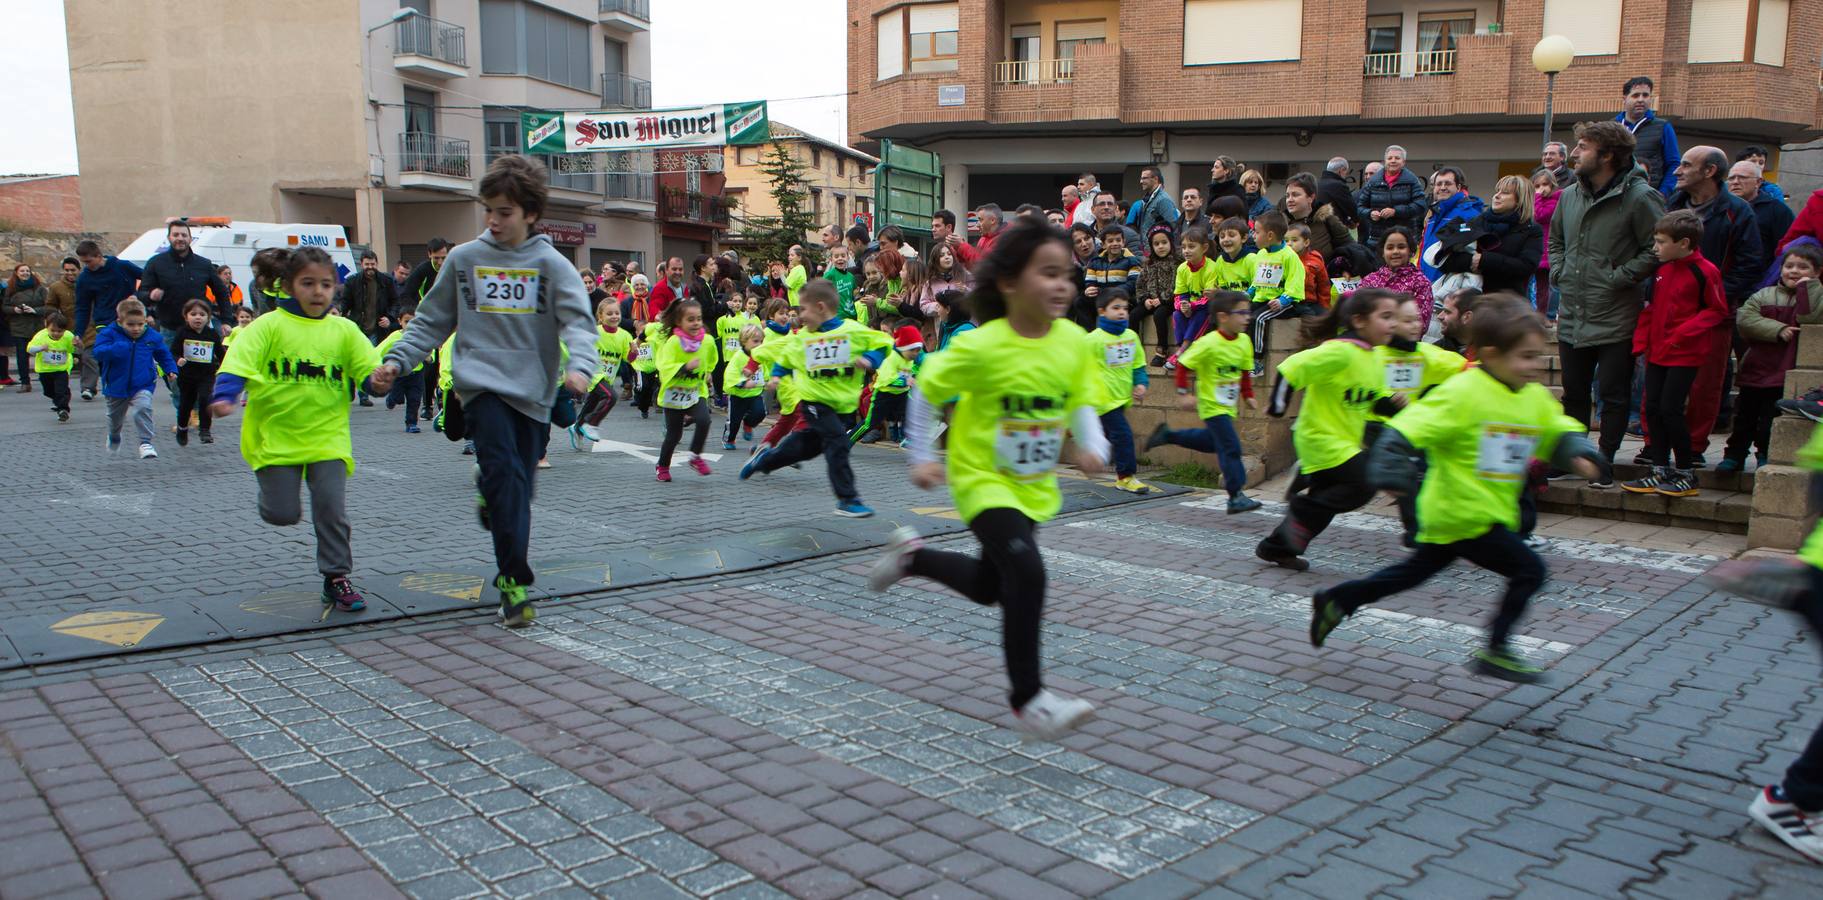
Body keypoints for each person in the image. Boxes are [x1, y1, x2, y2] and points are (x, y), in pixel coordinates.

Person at [867, 217, 1110, 741]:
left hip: (1031, 486)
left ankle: (913, 558)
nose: (1062, 285)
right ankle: (1031, 701)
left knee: (988, 586)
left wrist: (1093, 443)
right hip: (981, 479)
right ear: (1008, 283)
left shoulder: (1073, 341)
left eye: (1067, 274)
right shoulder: (981, 346)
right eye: (1048, 273)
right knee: (1029, 575)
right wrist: (920, 456)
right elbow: (927, 387)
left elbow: (1081, 397)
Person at [1308, 294, 1609, 682]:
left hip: (1482, 510)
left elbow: (1556, 428)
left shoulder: (1532, 396)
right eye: (1525, 357)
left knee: (1411, 573)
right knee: (1530, 571)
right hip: (1459, 510)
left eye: (1536, 357)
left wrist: (1578, 452)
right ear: (1490, 353)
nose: (1534, 367)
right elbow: (1408, 428)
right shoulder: (1462, 392)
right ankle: (1497, 649)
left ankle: (1337, 600)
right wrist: (1393, 473)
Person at [370, 155, 598, 629]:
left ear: (531, 213)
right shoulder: (464, 259)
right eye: (488, 210)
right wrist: (396, 360)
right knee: (508, 481)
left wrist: (580, 368)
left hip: (534, 394)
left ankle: (487, 491)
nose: (493, 222)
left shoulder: (552, 265)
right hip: (480, 387)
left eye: (505, 213)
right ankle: (513, 583)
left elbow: (579, 323)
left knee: (518, 490)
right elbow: (432, 320)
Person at [208, 245, 379, 613]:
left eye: (327, 284)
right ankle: (274, 498)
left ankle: (336, 577)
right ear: (287, 285)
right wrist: (225, 396)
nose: (319, 292)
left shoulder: (344, 330)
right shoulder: (268, 327)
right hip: (276, 439)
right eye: (308, 283)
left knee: (332, 511)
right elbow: (237, 364)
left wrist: (379, 383)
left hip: (327, 439)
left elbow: (369, 372)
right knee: (282, 514)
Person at [1255, 288, 1403, 572]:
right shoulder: (1339, 351)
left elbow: (1369, 398)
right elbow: (1290, 368)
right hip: (1319, 437)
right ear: (1360, 321)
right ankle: (1302, 499)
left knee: (1324, 505)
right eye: (1386, 317)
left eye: (1395, 317)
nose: (1393, 324)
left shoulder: (1374, 357)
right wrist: (1276, 405)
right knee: (1363, 484)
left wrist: (1392, 405)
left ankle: (1276, 548)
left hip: (1344, 441)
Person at [1551, 119, 1664, 473]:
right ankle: (1574, 459)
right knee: (1574, 394)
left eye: (1584, 146)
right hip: (1573, 312)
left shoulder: (1641, 197)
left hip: (1616, 314)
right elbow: (1555, 241)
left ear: (1608, 154)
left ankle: (1606, 459)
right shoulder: (1569, 195)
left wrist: (1621, 277)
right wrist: (1560, 272)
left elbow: (1655, 247)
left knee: (1613, 395)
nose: (1575, 153)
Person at [741, 279, 892, 517]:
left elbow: (884, 343)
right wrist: (778, 377)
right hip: (814, 402)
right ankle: (847, 499)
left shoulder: (851, 330)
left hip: (842, 406)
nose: (800, 316)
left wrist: (870, 360)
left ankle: (764, 460)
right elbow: (785, 358)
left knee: (806, 448)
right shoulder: (802, 338)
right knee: (838, 442)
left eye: (804, 309)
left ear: (821, 308)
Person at [1620, 210, 1729, 497]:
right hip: (1657, 351)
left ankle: (1685, 472)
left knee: (1670, 409)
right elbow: (1652, 309)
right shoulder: (1662, 271)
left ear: (1683, 243)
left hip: (1686, 353)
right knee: (1653, 408)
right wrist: (1641, 342)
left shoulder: (1705, 271)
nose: (1655, 248)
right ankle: (1659, 468)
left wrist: (1683, 334)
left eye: (1660, 242)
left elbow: (1716, 310)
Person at [1668, 145, 1765, 463]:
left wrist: (1713, 295)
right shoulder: (1673, 205)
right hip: (1669, 313)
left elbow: (1750, 264)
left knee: (1705, 386)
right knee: (1659, 384)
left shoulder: (1738, 211)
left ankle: (1694, 448)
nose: (1677, 171)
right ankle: (1655, 446)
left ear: (1709, 171)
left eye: (1685, 165)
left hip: (1714, 316)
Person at [1149, 291, 1261, 512]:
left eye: (1248, 313)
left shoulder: (1244, 341)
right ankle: (1236, 495)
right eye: (1241, 313)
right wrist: (1183, 393)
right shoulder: (1208, 343)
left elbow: (1244, 371)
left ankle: (1168, 435)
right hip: (1211, 405)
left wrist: (1248, 396)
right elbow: (1182, 364)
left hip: (1228, 407)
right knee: (1231, 448)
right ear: (1223, 317)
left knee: (1212, 442)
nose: (1247, 317)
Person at [1368, 293, 1467, 542]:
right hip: (1372, 428)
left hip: (1411, 430)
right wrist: (1384, 400)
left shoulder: (1426, 354)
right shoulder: (1373, 355)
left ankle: (1422, 528)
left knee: (1424, 470)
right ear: (1390, 323)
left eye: (1417, 320)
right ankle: (1417, 530)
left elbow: (1467, 369)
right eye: (1407, 321)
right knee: (1405, 472)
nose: (1415, 325)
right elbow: (1356, 385)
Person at [1726, 245, 1823, 472]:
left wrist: (1807, 288)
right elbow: (1745, 319)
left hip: (1785, 371)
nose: (1794, 271)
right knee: (1744, 417)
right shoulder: (1764, 294)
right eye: (1789, 266)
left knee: (1770, 419)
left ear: (1818, 272)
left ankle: (1765, 453)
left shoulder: (1816, 294)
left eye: (1803, 267)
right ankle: (1734, 454)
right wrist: (1778, 329)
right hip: (1757, 367)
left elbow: (1810, 315)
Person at [92, 298, 177, 459]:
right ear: (120, 321)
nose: (136, 329)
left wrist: (170, 369)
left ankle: (146, 443)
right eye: (130, 325)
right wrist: (117, 348)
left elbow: (164, 354)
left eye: (140, 324)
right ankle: (114, 435)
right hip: (116, 384)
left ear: (145, 321)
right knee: (115, 417)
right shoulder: (109, 333)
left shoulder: (152, 336)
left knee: (142, 408)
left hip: (142, 383)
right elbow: (98, 352)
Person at [1085, 291, 1151, 494]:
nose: (1122, 312)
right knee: (1123, 436)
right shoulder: (1092, 340)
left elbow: (1138, 366)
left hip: (1121, 399)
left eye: (1125, 308)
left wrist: (1140, 384)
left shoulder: (1131, 336)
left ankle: (1091, 452)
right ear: (1102, 312)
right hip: (1101, 400)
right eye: (1116, 308)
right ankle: (1126, 477)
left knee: (1107, 436)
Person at [652, 297, 717, 481]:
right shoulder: (673, 342)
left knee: (704, 420)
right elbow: (663, 366)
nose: (696, 323)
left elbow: (712, 359)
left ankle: (695, 456)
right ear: (679, 322)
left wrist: (709, 372)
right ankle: (662, 465)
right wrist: (684, 367)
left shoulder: (708, 341)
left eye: (699, 318)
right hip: (674, 393)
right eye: (690, 319)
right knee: (674, 435)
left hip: (696, 391)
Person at [73, 240, 142, 401]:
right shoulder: (84, 279)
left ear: (98, 256)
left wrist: (137, 296)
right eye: (84, 263)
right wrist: (78, 333)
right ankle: (112, 388)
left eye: (89, 261)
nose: (87, 266)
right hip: (104, 320)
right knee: (107, 354)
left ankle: (130, 385)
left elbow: (147, 279)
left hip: (130, 318)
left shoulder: (122, 266)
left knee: (129, 354)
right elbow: (82, 307)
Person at [137, 219, 233, 336]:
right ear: (169, 238)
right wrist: (150, 296)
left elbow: (221, 292)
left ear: (190, 239)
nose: (180, 238)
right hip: (170, 330)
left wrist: (226, 321)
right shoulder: (156, 263)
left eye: (184, 235)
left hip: (199, 330)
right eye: (176, 235)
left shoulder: (204, 264)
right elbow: (141, 294)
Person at [1457, 174, 1545, 297]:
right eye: (1497, 191)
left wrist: (1485, 260)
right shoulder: (1477, 221)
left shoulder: (1531, 230)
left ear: (1520, 199)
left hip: (1508, 303)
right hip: (1473, 300)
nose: (1497, 196)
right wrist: (1471, 261)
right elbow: (1452, 257)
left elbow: (1526, 267)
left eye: (1505, 193)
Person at [1246, 211, 1308, 371]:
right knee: (1241, 315)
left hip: (1282, 302)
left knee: (1258, 319)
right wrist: (1249, 293)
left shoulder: (1289, 256)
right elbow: (1257, 279)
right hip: (1262, 299)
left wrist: (1283, 300)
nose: (1253, 235)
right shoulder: (1260, 254)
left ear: (1270, 235)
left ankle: (1257, 361)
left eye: (1257, 232)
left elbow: (1295, 283)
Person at [568, 299, 630, 446]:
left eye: (617, 313)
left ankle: (577, 427)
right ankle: (591, 424)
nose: (614, 316)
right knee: (610, 396)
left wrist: (634, 352)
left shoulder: (625, 335)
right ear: (600, 317)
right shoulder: (594, 332)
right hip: (592, 373)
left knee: (592, 402)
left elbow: (629, 359)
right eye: (609, 314)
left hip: (607, 376)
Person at [337, 249, 393, 407]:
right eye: (367, 264)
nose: (370, 267)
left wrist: (389, 317)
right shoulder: (352, 281)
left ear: (377, 264)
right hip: (357, 326)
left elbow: (395, 301)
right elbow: (345, 301)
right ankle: (350, 390)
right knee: (352, 358)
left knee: (368, 361)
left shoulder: (386, 281)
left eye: (373, 264)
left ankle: (364, 395)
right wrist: (341, 315)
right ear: (361, 264)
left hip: (376, 328)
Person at [167, 299, 224, 446]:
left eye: (202, 314)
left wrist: (225, 368)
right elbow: (172, 352)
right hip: (187, 375)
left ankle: (205, 430)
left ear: (208, 317)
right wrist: (178, 359)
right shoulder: (182, 333)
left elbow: (221, 353)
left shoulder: (212, 334)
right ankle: (182, 428)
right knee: (186, 403)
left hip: (206, 374)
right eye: (193, 314)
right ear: (186, 317)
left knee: (206, 398)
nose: (198, 317)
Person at [1360, 227, 1433, 333]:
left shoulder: (1421, 282)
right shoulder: (1369, 281)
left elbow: (1421, 324)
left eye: (1401, 247)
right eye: (1389, 248)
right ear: (1382, 252)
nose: (1395, 251)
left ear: (1411, 251)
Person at [1616, 76, 1680, 196]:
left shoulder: (1663, 126)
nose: (1641, 100)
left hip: (1650, 196)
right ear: (1624, 98)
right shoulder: (1611, 127)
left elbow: (1674, 164)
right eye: (1635, 95)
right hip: (1617, 197)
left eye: (1645, 95)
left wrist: (1663, 194)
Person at [1419, 167, 1485, 281]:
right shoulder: (1433, 214)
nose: (1443, 187)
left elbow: (1470, 255)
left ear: (1458, 187)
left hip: (1449, 287)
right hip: (1427, 283)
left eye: (1448, 183)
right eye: (1439, 184)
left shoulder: (1469, 214)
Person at [1357, 145, 1428, 246]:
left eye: (1397, 158)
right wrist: (1370, 213)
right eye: (1389, 158)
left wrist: (1396, 211)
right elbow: (1360, 207)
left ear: (1403, 162)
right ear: (1385, 161)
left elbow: (1420, 206)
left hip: (1403, 238)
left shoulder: (1412, 181)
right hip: (1377, 240)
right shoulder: (1373, 181)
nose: (1393, 161)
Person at [1732, 161, 1796, 269]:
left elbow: (1787, 250)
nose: (1735, 182)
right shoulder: (1719, 208)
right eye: (1731, 178)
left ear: (1758, 182)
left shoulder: (1777, 210)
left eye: (1742, 177)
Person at [1082, 225, 1143, 331]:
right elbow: (1090, 280)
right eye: (1110, 241)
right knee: (1080, 301)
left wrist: (1111, 292)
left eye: (1118, 240)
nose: (1115, 243)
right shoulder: (1095, 261)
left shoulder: (1132, 261)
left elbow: (1133, 283)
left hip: (1124, 298)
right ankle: (1089, 334)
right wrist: (1089, 288)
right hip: (1101, 296)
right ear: (1103, 244)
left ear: (1123, 242)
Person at [376, 310, 428, 433]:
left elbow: (428, 350)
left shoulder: (420, 336)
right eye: (407, 322)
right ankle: (391, 399)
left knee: (414, 399)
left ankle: (411, 423)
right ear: (400, 321)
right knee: (398, 398)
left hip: (416, 374)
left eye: (413, 322)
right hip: (399, 375)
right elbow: (379, 351)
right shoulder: (395, 336)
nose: (410, 325)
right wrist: (379, 366)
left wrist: (430, 358)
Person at [1280, 173, 1351, 261]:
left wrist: (1344, 267)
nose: (1289, 200)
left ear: (1311, 197)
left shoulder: (1327, 220)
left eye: (1295, 195)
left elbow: (1350, 247)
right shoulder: (1281, 224)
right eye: (1287, 196)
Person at [1173, 228, 1220, 356]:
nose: (1186, 251)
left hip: (1205, 307)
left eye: (1191, 247)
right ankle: (1182, 348)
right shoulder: (1182, 268)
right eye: (1183, 247)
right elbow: (1179, 294)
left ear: (1204, 248)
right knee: (1177, 314)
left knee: (1202, 313)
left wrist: (1191, 306)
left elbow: (1209, 297)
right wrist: (1183, 306)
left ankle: (1184, 349)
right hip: (1191, 306)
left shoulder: (1212, 267)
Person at [1138, 226, 1181, 366]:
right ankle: (1134, 348)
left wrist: (1162, 299)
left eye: (1164, 242)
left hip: (1169, 301)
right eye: (1156, 244)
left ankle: (1162, 350)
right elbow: (1140, 284)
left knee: (1159, 315)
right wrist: (1145, 300)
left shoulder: (1176, 262)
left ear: (1171, 243)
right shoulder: (1149, 263)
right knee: (1133, 315)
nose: (1160, 247)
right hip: (1152, 300)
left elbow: (1177, 285)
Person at [722, 324, 767, 449]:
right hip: (738, 395)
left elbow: (766, 369)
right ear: (744, 341)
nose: (759, 344)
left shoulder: (760, 356)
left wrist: (768, 379)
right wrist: (743, 383)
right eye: (755, 341)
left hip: (755, 393)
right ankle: (729, 440)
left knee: (760, 413)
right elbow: (730, 374)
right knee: (734, 421)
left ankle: (748, 423)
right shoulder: (738, 357)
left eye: (761, 341)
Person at [25, 310, 75, 421]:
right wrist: (40, 348)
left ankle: (63, 409)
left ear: (65, 330)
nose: (56, 334)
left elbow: (73, 350)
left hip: (61, 369)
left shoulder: (68, 336)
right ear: (46, 326)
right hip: (44, 370)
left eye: (59, 331)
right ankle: (60, 401)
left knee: (60, 390)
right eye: (53, 330)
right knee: (48, 391)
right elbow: (30, 349)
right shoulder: (40, 336)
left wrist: (78, 345)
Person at [5, 264, 48, 391]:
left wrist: (34, 310)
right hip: (19, 326)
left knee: (42, 354)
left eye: (27, 271)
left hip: (37, 326)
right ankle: (25, 382)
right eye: (22, 271)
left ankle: (46, 378)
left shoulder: (40, 288)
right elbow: (4, 306)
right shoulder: (10, 288)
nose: (25, 273)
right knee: (22, 356)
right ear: (16, 273)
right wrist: (14, 309)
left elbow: (49, 306)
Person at [1532, 169, 1563, 319]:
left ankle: (1550, 315)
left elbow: (1540, 215)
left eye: (1545, 184)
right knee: (1540, 287)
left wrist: (1536, 197)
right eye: (1537, 186)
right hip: (1539, 249)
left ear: (1552, 185)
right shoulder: (1538, 201)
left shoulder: (1556, 200)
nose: (1541, 189)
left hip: (1551, 249)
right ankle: (1540, 315)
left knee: (1554, 286)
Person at [1287, 224, 1331, 312]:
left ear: (1306, 242)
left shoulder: (1315, 259)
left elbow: (1323, 285)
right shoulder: (1282, 258)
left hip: (1310, 301)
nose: (1289, 244)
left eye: (1294, 240)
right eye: (1286, 240)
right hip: (1288, 301)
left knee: (1323, 318)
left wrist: (1324, 305)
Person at [1135, 166, 1180, 236]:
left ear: (1156, 179)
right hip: (1147, 246)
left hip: (1155, 246)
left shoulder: (1164, 200)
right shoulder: (1147, 199)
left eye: (1144, 178)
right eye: (1141, 178)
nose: (1141, 181)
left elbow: (1173, 227)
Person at [1318, 158, 1359, 229]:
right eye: (1346, 172)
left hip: (1317, 226)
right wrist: (1355, 221)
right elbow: (1350, 207)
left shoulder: (1317, 184)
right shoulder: (1339, 185)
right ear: (1342, 170)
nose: (1346, 175)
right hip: (1334, 227)